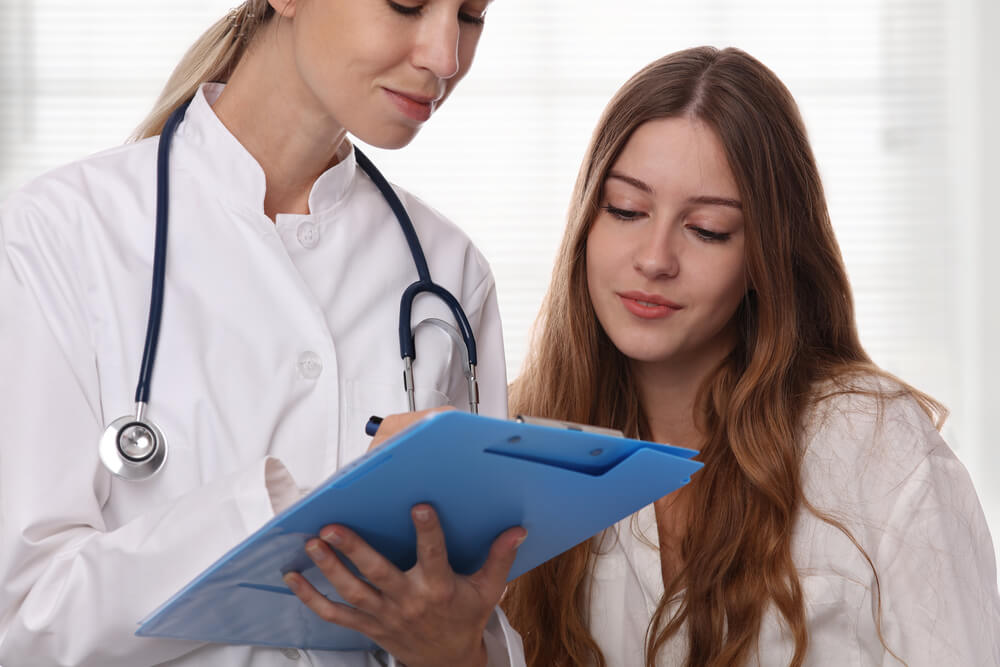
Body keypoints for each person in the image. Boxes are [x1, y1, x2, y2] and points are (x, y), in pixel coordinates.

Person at [0, 1, 527, 666]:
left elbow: (477, 607)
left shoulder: (450, 271)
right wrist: (296, 510)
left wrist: (458, 649)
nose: (445, 57)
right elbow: (24, 623)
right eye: (407, 4)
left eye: (473, 15)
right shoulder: (59, 235)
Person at [498, 46, 1000, 666]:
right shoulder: (518, 443)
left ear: (767, 257)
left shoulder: (874, 445)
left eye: (707, 229)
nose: (655, 259)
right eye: (626, 209)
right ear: (585, 223)